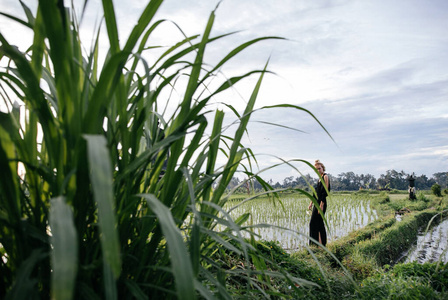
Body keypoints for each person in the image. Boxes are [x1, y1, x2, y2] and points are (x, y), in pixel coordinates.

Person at [308, 160, 330, 246]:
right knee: (314, 223)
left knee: (319, 223)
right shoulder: (319, 179)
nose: (318, 170)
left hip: (322, 203)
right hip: (316, 203)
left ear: (322, 168)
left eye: (319, 168)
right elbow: (316, 193)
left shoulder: (325, 177)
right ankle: (316, 244)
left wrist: (321, 204)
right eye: (316, 169)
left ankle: (321, 244)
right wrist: (311, 203)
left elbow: (325, 192)